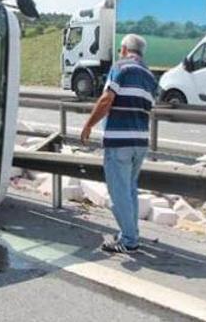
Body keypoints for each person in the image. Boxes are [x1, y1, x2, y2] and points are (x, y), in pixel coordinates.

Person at [80, 34, 158, 254]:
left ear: (124, 49)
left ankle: (130, 240)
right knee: (130, 190)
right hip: (140, 143)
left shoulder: (120, 67)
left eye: (119, 50)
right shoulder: (150, 76)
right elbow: (148, 108)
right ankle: (129, 234)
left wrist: (88, 125)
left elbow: (106, 99)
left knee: (118, 193)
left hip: (119, 141)